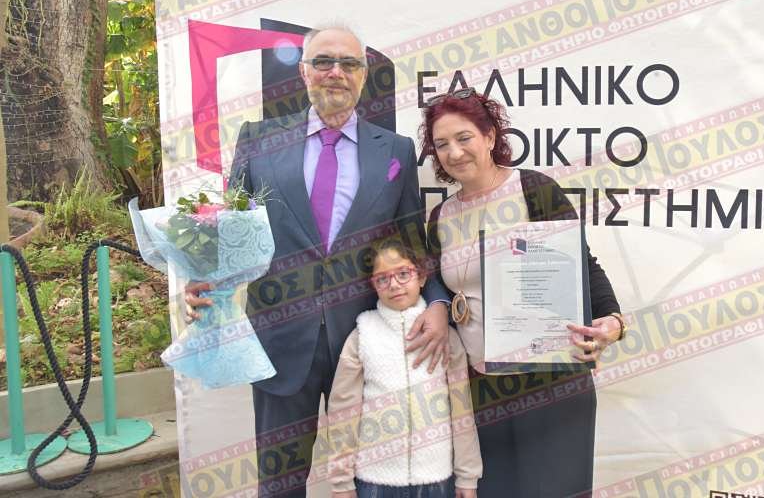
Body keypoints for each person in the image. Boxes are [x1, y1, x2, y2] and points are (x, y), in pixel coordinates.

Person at [185, 25, 450, 497]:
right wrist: (207, 279)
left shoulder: (395, 151)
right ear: (304, 72)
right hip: (280, 339)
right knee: (280, 484)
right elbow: (233, 229)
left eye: (349, 63)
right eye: (323, 61)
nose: (335, 72)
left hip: (369, 343)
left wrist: (437, 303)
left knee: (374, 482)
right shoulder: (258, 140)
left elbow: (412, 241)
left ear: (363, 75)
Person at [419, 88, 624, 497]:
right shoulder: (441, 215)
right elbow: (437, 282)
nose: (454, 152)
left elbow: (582, 264)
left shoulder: (533, 188)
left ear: (490, 136)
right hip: (480, 388)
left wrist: (614, 322)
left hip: (549, 382)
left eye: (464, 137)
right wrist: (439, 305)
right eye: (441, 144)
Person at [328, 238, 482, 498]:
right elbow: (343, 411)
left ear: (421, 277)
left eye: (403, 274)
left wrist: (467, 476)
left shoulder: (446, 338)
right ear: (373, 285)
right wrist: (341, 483)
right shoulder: (361, 336)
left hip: (435, 479)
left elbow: (462, 410)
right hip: (375, 482)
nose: (394, 285)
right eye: (382, 279)